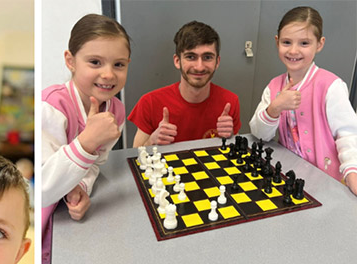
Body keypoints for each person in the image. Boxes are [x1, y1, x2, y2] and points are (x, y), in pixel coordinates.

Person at [41, 14, 131, 264]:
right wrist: (86, 142)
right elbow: (43, 187)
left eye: (119, 65)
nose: (108, 74)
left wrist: (80, 188)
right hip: (44, 225)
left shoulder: (116, 112)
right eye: (95, 62)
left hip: (71, 222)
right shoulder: (51, 107)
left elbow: (95, 163)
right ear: (70, 60)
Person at [249, 6, 357, 196]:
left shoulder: (330, 86)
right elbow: (259, 133)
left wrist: (352, 170)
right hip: (290, 177)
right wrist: (274, 108)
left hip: (328, 183)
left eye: (304, 43)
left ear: (319, 44)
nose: (293, 50)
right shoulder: (273, 87)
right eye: (286, 42)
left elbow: (348, 134)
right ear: (277, 42)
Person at [129, 21, 241, 147]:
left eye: (208, 57)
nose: (199, 67)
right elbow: (136, 156)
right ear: (177, 61)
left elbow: (234, 151)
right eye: (191, 57)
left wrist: (230, 135)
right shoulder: (149, 102)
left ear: (217, 62)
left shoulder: (230, 101)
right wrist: (152, 141)